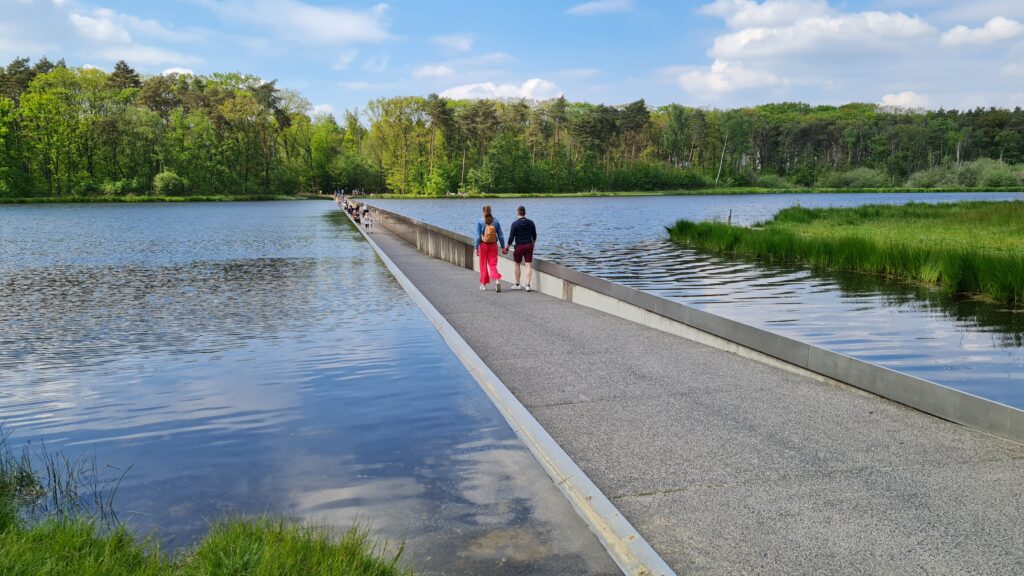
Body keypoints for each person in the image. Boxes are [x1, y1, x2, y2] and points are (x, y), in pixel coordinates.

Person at [503, 205, 537, 292]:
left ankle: (517, 284)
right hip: (528, 245)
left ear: (517, 213)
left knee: (517, 264)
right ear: (525, 213)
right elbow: (534, 236)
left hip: (519, 247)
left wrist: (507, 248)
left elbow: (511, 238)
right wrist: (532, 245)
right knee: (528, 265)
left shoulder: (514, 224)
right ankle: (528, 285)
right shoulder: (531, 222)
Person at [474, 205, 505, 292]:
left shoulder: (480, 221)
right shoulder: (496, 221)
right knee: (493, 264)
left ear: (483, 211)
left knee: (483, 264)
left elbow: (477, 236)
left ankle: (483, 285)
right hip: (493, 245)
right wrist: (503, 247)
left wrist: (476, 247)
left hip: (483, 245)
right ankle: (497, 280)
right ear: (491, 211)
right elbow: (500, 235)